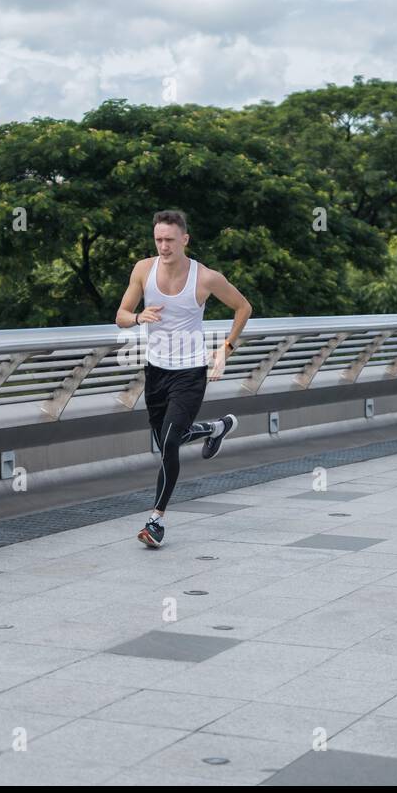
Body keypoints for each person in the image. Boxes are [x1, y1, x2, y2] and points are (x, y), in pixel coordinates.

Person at [115, 209, 252, 549]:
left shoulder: (205, 278)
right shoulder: (143, 270)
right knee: (166, 445)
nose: (163, 246)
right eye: (158, 239)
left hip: (190, 372)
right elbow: (120, 316)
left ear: (185, 240)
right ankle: (217, 428)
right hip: (156, 372)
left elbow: (243, 307)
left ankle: (155, 520)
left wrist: (226, 348)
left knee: (171, 444)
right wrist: (137, 317)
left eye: (170, 240)